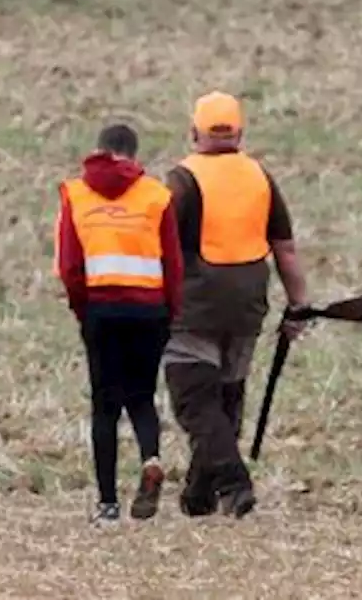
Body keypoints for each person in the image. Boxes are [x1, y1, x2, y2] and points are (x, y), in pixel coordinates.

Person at [162, 91, 311, 519]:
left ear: (194, 133)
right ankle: (198, 496)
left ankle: (234, 482)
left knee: (195, 402)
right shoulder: (259, 176)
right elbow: (285, 249)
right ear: (240, 133)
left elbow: (161, 247)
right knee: (226, 399)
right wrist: (299, 305)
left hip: (194, 308)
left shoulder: (181, 180)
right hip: (249, 305)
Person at [56, 123, 184, 523]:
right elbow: (173, 265)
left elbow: (69, 265)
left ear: (99, 150)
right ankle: (151, 457)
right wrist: (170, 313)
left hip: (100, 309)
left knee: (105, 406)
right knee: (142, 397)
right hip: (149, 310)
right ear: (134, 153)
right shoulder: (157, 196)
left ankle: (108, 505)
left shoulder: (75, 194)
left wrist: (82, 310)